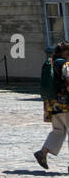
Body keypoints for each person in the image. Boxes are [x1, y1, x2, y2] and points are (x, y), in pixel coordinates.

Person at [34, 41, 69, 170]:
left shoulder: (50, 62)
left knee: (58, 131)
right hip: (65, 103)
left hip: (52, 103)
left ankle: (42, 152)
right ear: (66, 52)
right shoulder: (65, 64)